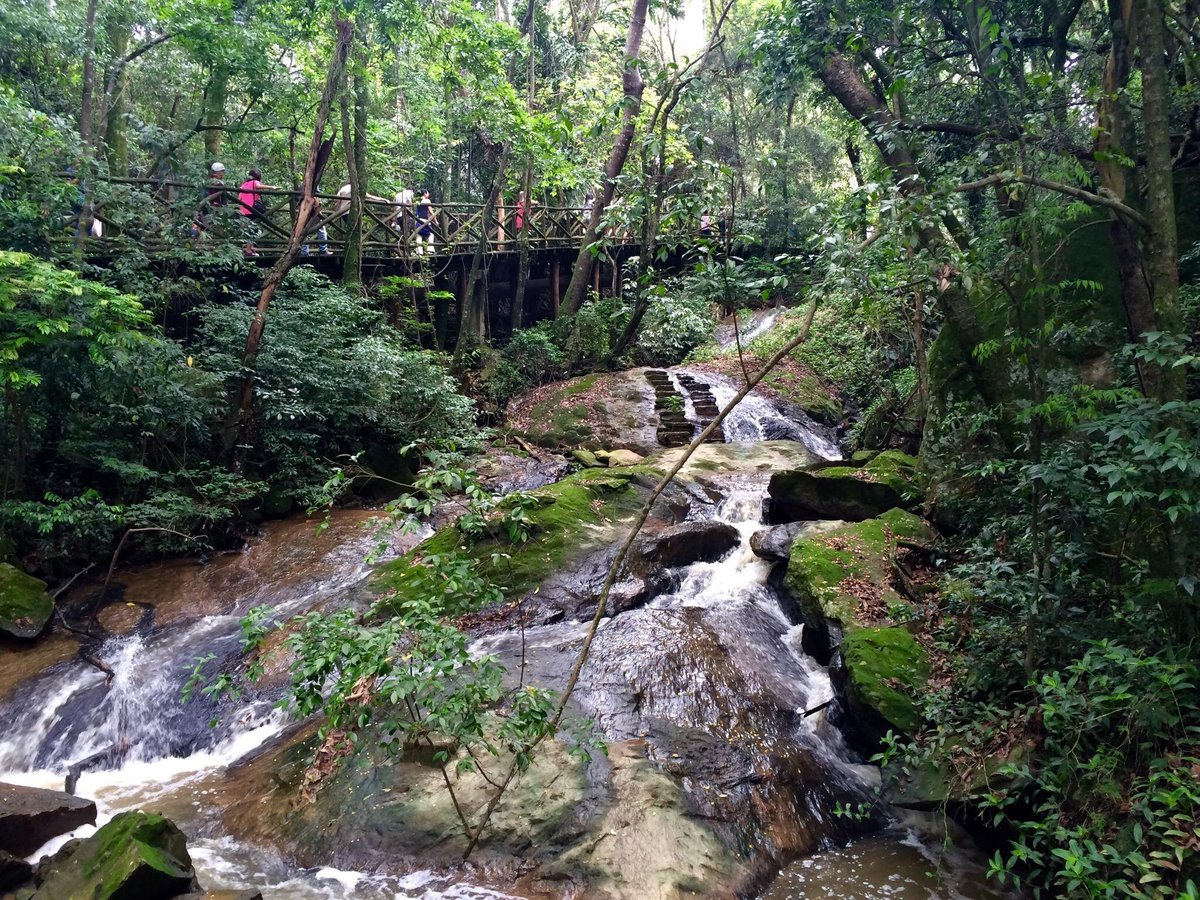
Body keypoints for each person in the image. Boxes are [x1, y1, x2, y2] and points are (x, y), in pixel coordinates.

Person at [237, 168, 276, 256]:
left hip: (244, 210)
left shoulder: (244, 185)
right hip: (252, 209)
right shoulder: (254, 182)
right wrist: (272, 187)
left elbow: (239, 199)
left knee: (248, 229)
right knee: (253, 229)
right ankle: (248, 250)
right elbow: (259, 186)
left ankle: (249, 248)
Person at [192, 162, 227, 237]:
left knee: (202, 225)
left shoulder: (207, 180)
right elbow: (222, 198)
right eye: (222, 171)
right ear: (219, 172)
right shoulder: (219, 183)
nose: (223, 173)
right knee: (211, 227)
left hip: (204, 206)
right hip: (214, 207)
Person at [414, 189, 435, 255]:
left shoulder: (418, 201)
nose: (428, 194)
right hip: (425, 220)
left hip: (417, 220)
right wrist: (435, 220)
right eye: (428, 193)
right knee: (431, 234)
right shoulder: (427, 200)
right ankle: (430, 250)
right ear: (425, 193)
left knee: (419, 236)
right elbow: (431, 211)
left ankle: (419, 252)